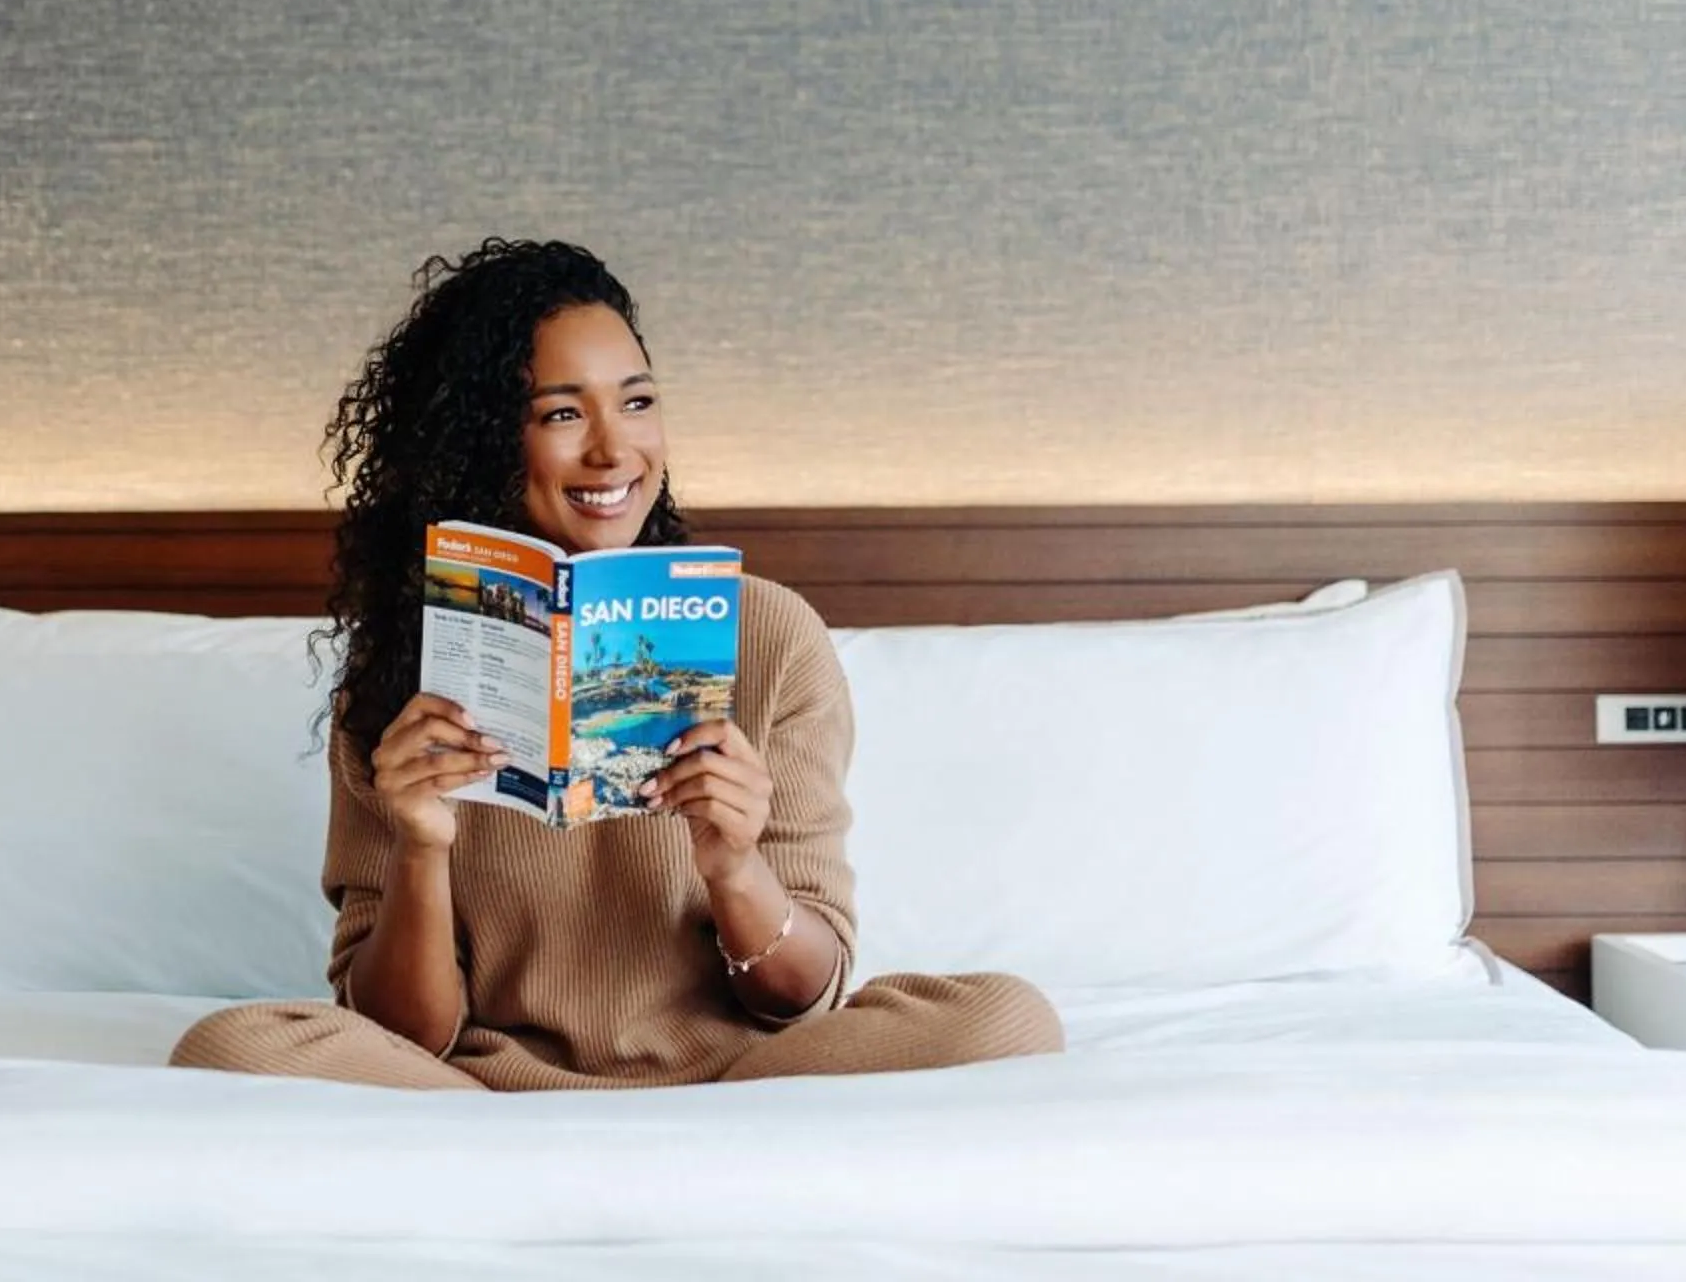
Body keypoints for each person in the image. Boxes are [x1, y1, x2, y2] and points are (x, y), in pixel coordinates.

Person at [171, 238, 1062, 1089]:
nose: (613, 450)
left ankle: (590, 1148)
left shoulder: (771, 633)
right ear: (478, 441)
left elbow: (802, 995)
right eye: (562, 413)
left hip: (737, 1075)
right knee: (232, 1045)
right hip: (484, 1086)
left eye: (637, 402)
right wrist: (419, 845)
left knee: (1005, 1017)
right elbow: (405, 1036)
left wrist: (734, 865)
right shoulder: (401, 669)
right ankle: (567, 1144)